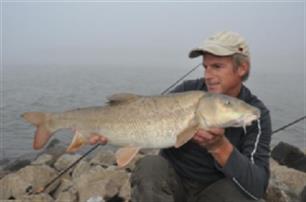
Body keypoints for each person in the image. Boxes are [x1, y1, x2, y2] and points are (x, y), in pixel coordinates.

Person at [90, 31, 272, 202]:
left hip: (215, 190)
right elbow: (145, 115)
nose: (208, 75)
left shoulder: (255, 113)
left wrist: (219, 147)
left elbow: (257, 185)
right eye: (205, 67)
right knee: (150, 166)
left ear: (242, 68)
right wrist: (108, 129)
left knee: (240, 194)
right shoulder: (188, 90)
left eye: (217, 66)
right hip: (173, 184)